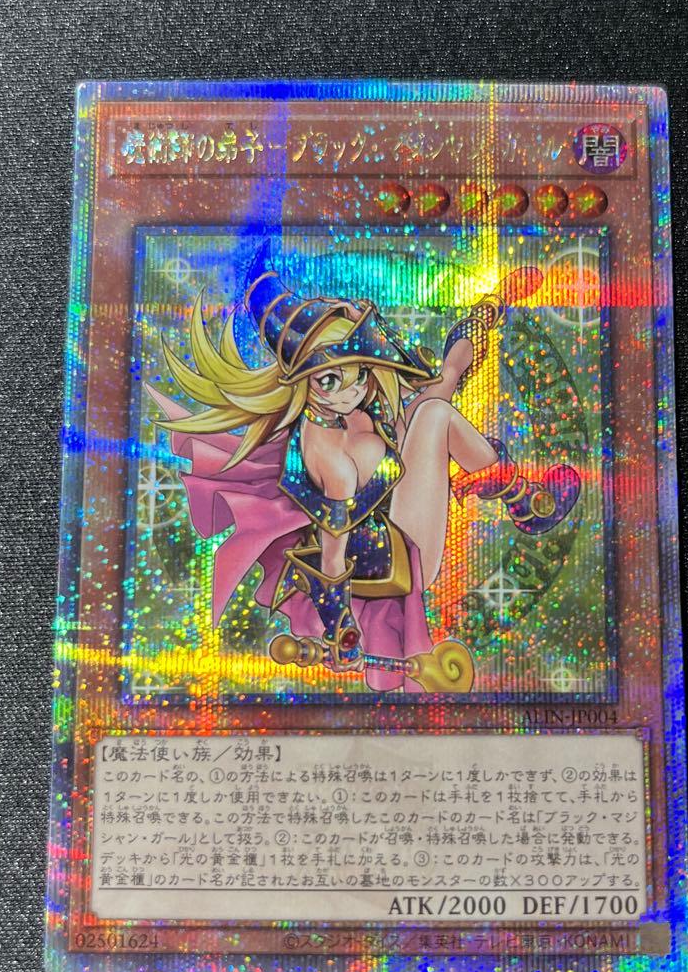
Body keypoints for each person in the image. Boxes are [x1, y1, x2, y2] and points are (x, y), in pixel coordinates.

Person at [147, 248, 581, 691]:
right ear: (303, 382)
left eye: (356, 371)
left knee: (444, 381)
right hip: (401, 554)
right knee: (434, 413)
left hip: (395, 506)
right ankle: (524, 501)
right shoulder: (328, 458)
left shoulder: (353, 407)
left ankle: (489, 308)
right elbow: (332, 557)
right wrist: (342, 630)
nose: (351, 389)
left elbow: (420, 384)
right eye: (329, 380)